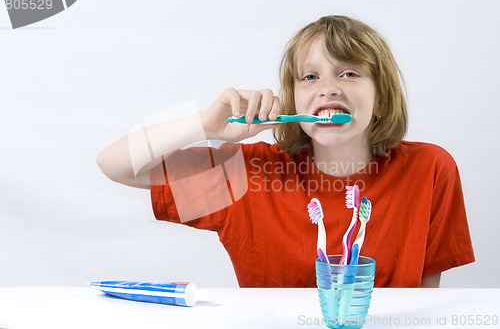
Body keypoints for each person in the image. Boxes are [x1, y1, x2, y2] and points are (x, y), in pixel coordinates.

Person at [97, 15, 475, 288]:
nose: (327, 88)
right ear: (294, 98)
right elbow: (115, 165)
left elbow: (425, 300)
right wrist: (206, 125)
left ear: (380, 100)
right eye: (310, 77)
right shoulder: (248, 172)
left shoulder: (430, 169)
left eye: (349, 73)